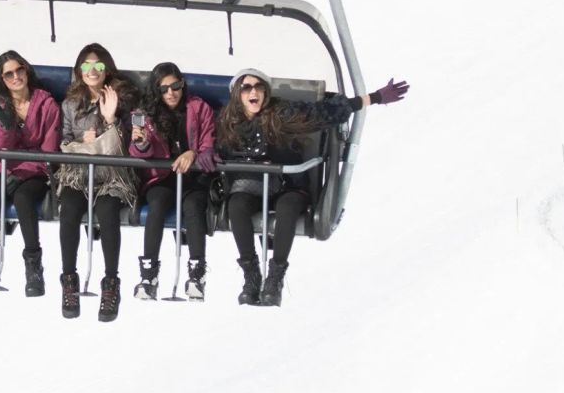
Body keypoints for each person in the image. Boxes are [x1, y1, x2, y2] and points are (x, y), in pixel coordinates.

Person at [214, 70, 409, 307]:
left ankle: (275, 279)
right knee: (236, 205)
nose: (253, 91)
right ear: (237, 94)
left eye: (259, 86)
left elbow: (326, 114)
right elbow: (209, 144)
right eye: (246, 88)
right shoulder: (228, 122)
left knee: (287, 208)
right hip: (252, 186)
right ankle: (251, 276)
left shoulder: (282, 113)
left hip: (287, 185)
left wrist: (374, 97)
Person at [55, 42, 138, 322]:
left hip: (111, 172)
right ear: (80, 70)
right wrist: (81, 141)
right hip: (80, 171)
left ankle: (111, 284)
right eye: (87, 66)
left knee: (107, 210)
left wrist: (110, 118)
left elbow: (128, 144)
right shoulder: (70, 104)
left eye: (98, 66)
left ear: (107, 69)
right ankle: (69, 278)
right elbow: (64, 140)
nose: (92, 71)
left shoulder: (121, 98)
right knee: (69, 207)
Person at [127, 61, 216, 300]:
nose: (171, 93)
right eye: (164, 88)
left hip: (193, 176)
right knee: (157, 204)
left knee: (193, 207)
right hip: (162, 177)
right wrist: (141, 143)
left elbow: (209, 144)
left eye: (175, 86)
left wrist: (194, 154)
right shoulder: (145, 115)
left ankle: (197, 273)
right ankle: (149, 274)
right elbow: (138, 154)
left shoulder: (198, 108)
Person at [0, 49, 57, 296]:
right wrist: (6, 123)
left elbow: (49, 151)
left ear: (26, 70)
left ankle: (33, 267)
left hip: (34, 172)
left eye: (19, 70)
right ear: (1, 79)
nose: (15, 77)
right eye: (8, 74)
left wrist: (24, 165)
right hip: (5, 168)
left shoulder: (46, 103)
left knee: (24, 198)